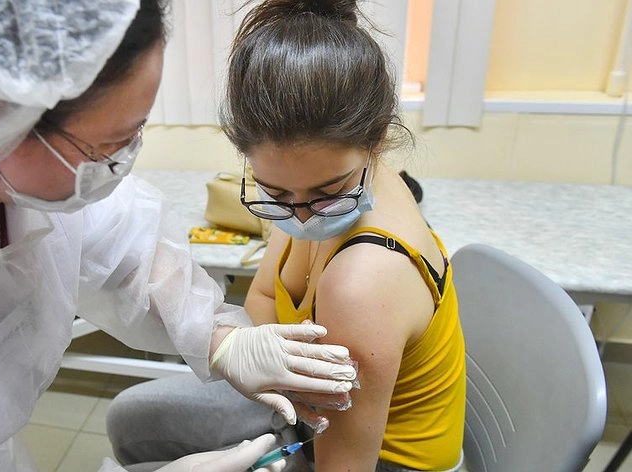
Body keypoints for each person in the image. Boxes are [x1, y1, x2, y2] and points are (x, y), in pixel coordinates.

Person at [0, 1, 361, 470]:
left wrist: (222, 340)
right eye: (112, 143)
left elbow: (127, 249)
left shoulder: (7, 163)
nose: (124, 162)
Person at [106, 1, 466, 471]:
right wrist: (251, 361)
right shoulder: (327, 187)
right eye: (274, 192)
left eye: (326, 192)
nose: (302, 216)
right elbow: (262, 297)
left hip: (381, 460)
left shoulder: (362, 282)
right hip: (311, 421)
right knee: (130, 419)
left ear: (376, 140)